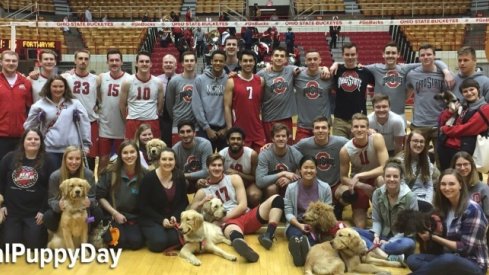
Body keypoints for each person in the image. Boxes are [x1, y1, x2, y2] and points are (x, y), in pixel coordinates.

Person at [190, 154, 284, 262]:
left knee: (277, 199)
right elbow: (190, 212)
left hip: (244, 216)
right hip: (230, 224)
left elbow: (243, 205)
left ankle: (268, 235)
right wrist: (201, 202)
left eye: (219, 165)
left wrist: (222, 219)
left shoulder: (234, 178)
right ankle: (245, 249)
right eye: (213, 165)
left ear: (223, 167)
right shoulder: (203, 191)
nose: (217, 168)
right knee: (232, 231)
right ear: (208, 168)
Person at [406, 169, 489, 275]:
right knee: (413, 259)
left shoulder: (473, 209)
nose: (447, 188)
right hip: (447, 258)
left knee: (448, 260)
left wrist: (433, 237)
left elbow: (465, 248)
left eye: (451, 184)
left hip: (473, 264)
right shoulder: (443, 208)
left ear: (460, 185)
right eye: (443, 184)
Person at [0, 128, 56, 248]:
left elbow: (51, 189)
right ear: (23, 141)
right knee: (8, 247)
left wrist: (43, 211)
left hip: (34, 213)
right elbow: (1, 182)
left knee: (34, 246)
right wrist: (2, 205)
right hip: (12, 212)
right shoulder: (9, 157)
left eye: (36, 139)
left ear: (41, 142)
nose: (33, 141)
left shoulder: (49, 161)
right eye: (29, 139)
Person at [355, 159, 418, 260]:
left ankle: (376, 251)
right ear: (383, 178)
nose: (391, 179)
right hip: (381, 235)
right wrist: (376, 235)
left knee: (408, 243)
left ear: (401, 178)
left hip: (401, 238)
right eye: (388, 176)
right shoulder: (377, 193)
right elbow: (377, 219)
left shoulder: (410, 197)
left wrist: (390, 242)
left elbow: (410, 229)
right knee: (352, 232)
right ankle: (388, 256)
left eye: (395, 176)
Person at [23, 75, 91, 167]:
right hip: (49, 149)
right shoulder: (39, 105)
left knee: (69, 180)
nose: (58, 89)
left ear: (65, 88)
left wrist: (86, 145)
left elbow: (84, 124)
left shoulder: (74, 104)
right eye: (54, 86)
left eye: (61, 86)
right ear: (49, 87)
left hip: (71, 149)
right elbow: (29, 127)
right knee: (52, 177)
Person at [337, 113, 389, 228]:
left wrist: (360, 175)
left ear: (368, 128)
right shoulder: (345, 150)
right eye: (356, 127)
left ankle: (385, 210)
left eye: (362, 126)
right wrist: (363, 185)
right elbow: (343, 178)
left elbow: (385, 167)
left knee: (382, 180)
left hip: (376, 177)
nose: (359, 129)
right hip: (360, 184)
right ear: (351, 129)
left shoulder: (377, 138)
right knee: (360, 225)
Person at [294, 116, 348, 218]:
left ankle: (338, 206)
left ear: (329, 130)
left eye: (323, 128)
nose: (320, 130)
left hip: (335, 185)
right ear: (313, 130)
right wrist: (271, 146)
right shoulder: (304, 144)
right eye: (317, 128)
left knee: (349, 194)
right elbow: (288, 151)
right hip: (315, 186)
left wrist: (369, 133)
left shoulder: (340, 142)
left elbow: (357, 143)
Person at [97, 140, 146, 249]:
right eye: (125, 153)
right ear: (120, 155)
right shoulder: (109, 173)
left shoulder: (145, 174)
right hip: (114, 216)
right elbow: (100, 197)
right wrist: (115, 213)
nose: (129, 156)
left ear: (138, 154)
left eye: (132, 152)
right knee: (117, 243)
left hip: (135, 217)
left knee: (135, 243)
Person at [284, 156, 332, 266]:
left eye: (312, 168)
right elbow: (288, 213)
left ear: (316, 170)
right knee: (295, 235)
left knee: (311, 238)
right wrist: (300, 225)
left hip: (317, 224)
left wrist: (314, 225)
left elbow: (328, 212)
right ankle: (300, 249)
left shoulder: (325, 188)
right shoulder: (291, 188)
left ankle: (305, 253)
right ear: (299, 170)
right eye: (305, 167)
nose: (309, 171)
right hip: (297, 223)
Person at [43, 146, 103, 233]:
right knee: (48, 218)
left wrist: (90, 202)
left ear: (81, 160)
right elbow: (51, 200)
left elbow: (93, 197)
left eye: (77, 159)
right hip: (65, 211)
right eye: (70, 158)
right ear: (64, 159)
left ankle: (87, 228)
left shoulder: (89, 174)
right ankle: (61, 231)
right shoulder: (55, 176)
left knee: (97, 215)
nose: (74, 162)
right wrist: (58, 205)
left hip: (83, 211)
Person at [139, 148, 188, 252]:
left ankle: (160, 235)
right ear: (159, 161)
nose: (167, 162)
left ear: (175, 161)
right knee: (158, 243)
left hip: (171, 219)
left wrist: (175, 215)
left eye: (171, 159)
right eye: (164, 159)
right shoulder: (149, 178)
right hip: (151, 218)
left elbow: (184, 201)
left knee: (180, 238)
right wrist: (161, 220)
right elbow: (143, 206)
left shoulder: (179, 176)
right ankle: (148, 235)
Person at [406, 43, 447, 167]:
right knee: (417, 160)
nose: (426, 57)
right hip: (419, 124)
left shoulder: (443, 74)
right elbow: (406, 94)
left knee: (441, 160)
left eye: (429, 54)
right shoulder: (412, 75)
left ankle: (440, 184)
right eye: (422, 55)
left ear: (434, 56)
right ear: (419, 58)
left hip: (438, 124)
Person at [61, 49, 100, 169]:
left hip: (90, 121)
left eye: (86, 59)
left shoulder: (96, 79)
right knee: (71, 155)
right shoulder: (66, 78)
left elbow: (99, 97)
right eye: (80, 58)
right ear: (75, 60)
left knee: (90, 157)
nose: (83, 61)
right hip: (71, 122)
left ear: (89, 61)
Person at [438, 79, 489, 170]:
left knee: (464, 180)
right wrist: (449, 112)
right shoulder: (463, 106)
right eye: (465, 91)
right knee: (447, 176)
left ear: (478, 90)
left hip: (463, 151)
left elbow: (467, 129)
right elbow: (441, 121)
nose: (469, 93)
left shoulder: (485, 109)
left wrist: (445, 129)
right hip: (446, 147)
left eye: (471, 89)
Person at [224, 49, 267, 152]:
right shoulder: (231, 81)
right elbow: (227, 107)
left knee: (259, 161)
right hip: (239, 129)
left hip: (257, 129)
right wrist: (230, 129)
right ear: (240, 62)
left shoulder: (260, 81)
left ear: (254, 62)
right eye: (245, 61)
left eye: (250, 61)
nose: (248, 63)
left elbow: (261, 103)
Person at [331, 42, 374, 139]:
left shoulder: (365, 72)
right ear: (342, 55)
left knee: (358, 150)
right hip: (340, 120)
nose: (350, 57)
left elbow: (379, 85)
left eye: (352, 54)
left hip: (359, 119)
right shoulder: (336, 71)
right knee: (340, 149)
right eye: (347, 54)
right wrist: (334, 64)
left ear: (357, 55)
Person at [98, 48, 132, 172]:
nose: (114, 63)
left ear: (122, 62)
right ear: (107, 62)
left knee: (122, 161)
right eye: (111, 60)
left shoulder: (129, 79)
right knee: (103, 160)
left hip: (122, 126)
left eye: (117, 60)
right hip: (105, 126)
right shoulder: (101, 78)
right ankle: (100, 188)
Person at [120, 51, 164, 140]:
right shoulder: (127, 81)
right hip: (133, 121)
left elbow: (160, 106)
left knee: (153, 150)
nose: (144, 64)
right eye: (141, 61)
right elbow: (122, 105)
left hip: (152, 120)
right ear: (136, 64)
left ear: (151, 64)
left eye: (147, 61)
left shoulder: (158, 82)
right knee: (131, 149)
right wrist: (127, 120)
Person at [192, 50, 228, 151]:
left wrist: (226, 128)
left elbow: (233, 106)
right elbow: (197, 106)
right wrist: (207, 128)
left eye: (221, 61)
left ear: (224, 63)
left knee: (224, 162)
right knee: (205, 161)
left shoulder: (229, 80)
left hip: (223, 129)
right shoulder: (200, 80)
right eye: (215, 60)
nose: (218, 63)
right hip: (205, 129)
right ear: (211, 61)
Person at [0, 50, 33, 161]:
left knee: (18, 169)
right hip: (1, 136)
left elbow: (29, 108)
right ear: (1, 62)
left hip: (21, 135)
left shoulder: (26, 82)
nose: (11, 63)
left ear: (18, 63)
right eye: (7, 60)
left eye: (14, 61)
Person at [294, 50, 332, 141]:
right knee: (300, 154)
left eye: (315, 59)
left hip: (323, 126)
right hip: (303, 126)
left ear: (320, 60)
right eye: (309, 59)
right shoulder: (297, 76)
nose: (312, 62)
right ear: (305, 61)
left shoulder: (328, 76)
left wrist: (326, 68)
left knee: (324, 154)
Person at [256, 123, 302, 199]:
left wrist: (290, 180)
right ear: (273, 139)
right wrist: (283, 173)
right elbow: (259, 181)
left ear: (288, 138)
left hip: (289, 185)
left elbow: (306, 174)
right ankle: (273, 208)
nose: (281, 138)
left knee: (292, 186)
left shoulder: (295, 153)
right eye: (277, 136)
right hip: (271, 187)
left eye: (283, 136)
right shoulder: (265, 154)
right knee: (271, 188)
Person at [219, 127, 260, 207]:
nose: (235, 141)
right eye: (233, 139)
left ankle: (253, 214)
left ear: (243, 142)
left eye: (238, 139)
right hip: (229, 186)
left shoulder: (252, 155)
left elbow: (256, 178)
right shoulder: (222, 155)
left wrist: (238, 173)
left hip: (248, 184)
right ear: (227, 141)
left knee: (254, 195)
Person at [395, 131, 435, 212]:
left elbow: (429, 186)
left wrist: (428, 202)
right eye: (415, 141)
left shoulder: (426, 159)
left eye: (421, 142)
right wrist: (414, 202)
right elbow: (400, 187)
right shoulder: (399, 161)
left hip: (424, 199)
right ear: (408, 142)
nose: (419, 144)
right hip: (406, 199)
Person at [166, 51, 197, 145]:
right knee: (178, 154)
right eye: (186, 60)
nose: (189, 63)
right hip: (178, 124)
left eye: (192, 60)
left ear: (195, 62)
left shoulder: (201, 80)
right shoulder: (174, 81)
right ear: (182, 63)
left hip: (196, 124)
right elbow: (169, 105)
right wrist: (177, 116)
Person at [172, 120, 212, 193]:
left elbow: (206, 171)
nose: (185, 135)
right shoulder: (175, 150)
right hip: (185, 181)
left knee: (207, 180)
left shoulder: (205, 144)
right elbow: (174, 173)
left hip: (202, 179)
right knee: (179, 182)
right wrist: (183, 177)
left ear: (194, 133)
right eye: (182, 132)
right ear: (178, 134)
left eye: (188, 131)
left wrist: (184, 175)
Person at [451, 151, 489, 218]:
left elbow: (487, 214)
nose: (462, 168)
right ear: (454, 167)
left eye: (466, 164)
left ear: (472, 165)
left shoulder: (483, 188)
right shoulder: (449, 188)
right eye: (459, 165)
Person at [157, 54, 178, 146]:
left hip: (176, 117)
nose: (168, 64)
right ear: (162, 65)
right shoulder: (156, 80)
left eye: (171, 62)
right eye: (166, 62)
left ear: (176, 66)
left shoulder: (180, 79)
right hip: (161, 118)